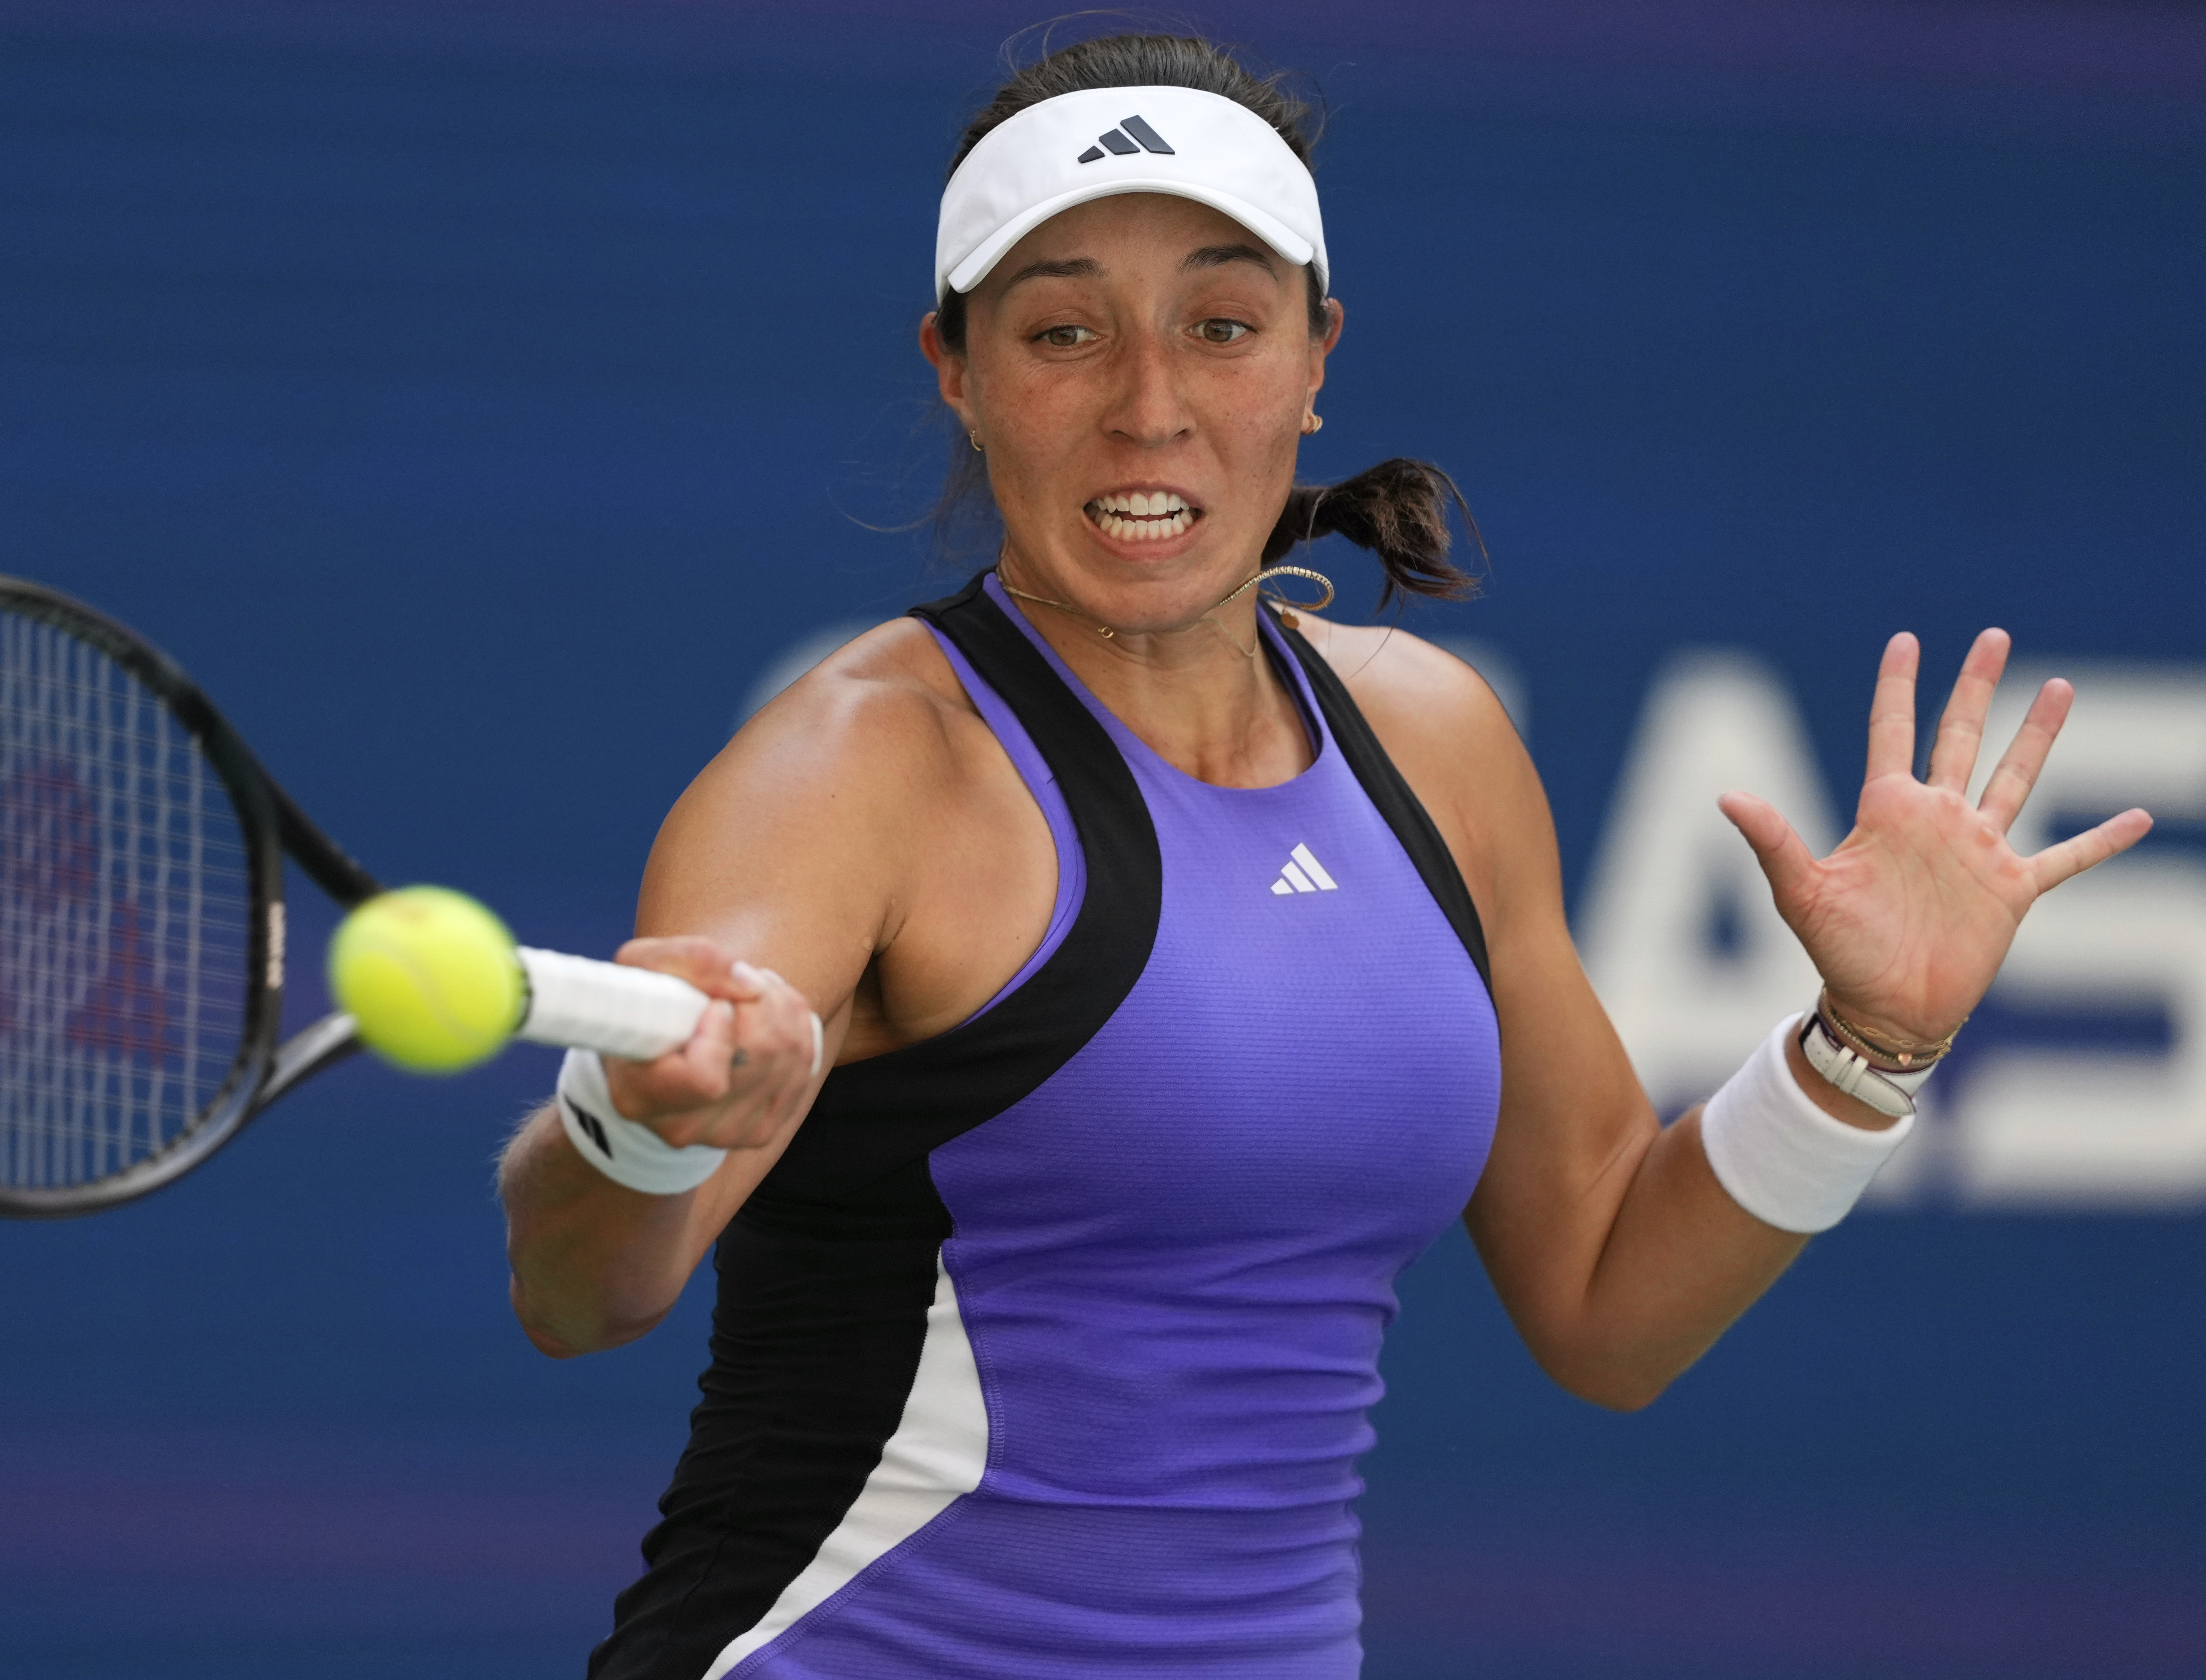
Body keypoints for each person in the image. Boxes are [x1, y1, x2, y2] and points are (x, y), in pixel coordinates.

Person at [495, 32, 2152, 1680]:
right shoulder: (849, 767)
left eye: (1219, 327)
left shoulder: (1434, 741)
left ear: (1312, 360)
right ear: (957, 366)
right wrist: (637, 1127)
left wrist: (1864, 1052)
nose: (1149, 407)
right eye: (1063, 333)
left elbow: (1601, 1299)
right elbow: (578, 1292)